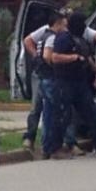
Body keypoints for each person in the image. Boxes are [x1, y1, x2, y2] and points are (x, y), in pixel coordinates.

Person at [21, 13, 81, 154]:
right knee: (50, 110)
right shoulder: (50, 35)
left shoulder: (51, 34)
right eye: (64, 24)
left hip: (45, 75)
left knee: (51, 111)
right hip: (47, 75)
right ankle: (39, 140)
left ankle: (59, 144)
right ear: (58, 23)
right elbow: (44, 52)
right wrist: (43, 60)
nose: (66, 28)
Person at [49, 12, 96, 159]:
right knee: (62, 116)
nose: (83, 26)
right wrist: (73, 58)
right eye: (81, 23)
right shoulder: (63, 38)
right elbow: (55, 57)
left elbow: (87, 57)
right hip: (64, 82)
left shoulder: (81, 40)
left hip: (80, 83)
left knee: (92, 113)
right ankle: (56, 149)